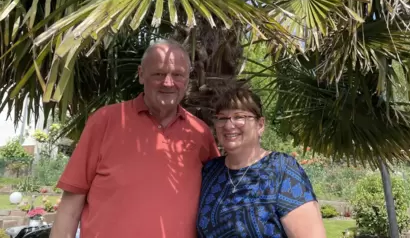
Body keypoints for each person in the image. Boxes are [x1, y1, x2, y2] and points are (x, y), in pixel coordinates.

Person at [50, 40, 220, 238]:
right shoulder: (105, 121)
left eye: (178, 75)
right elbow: (71, 205)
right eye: (158, 74)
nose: (168, 82)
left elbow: (215, 201)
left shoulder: (200, 133)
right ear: (141, 74)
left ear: (187, 79)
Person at [197, 87, 327, 238]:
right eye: (222, 118)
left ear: (260, 125)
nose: (228, 125)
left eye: (239, 116)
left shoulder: (281, 169)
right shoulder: (211, 171)